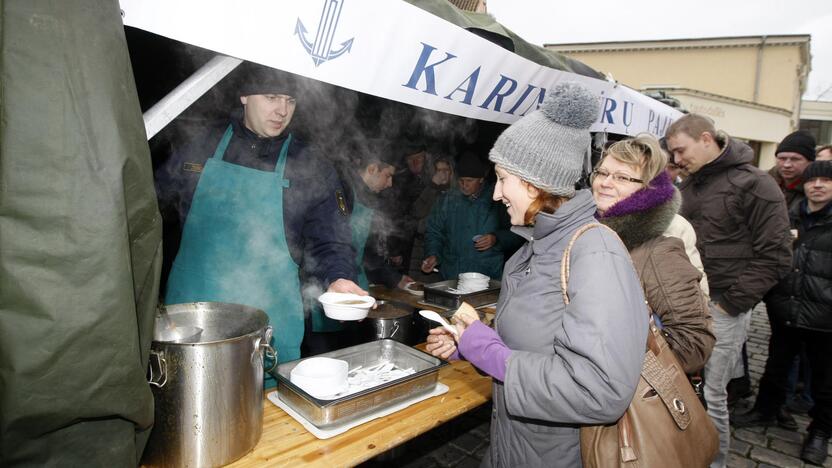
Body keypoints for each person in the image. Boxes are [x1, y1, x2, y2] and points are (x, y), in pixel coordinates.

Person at [427, 82, 648, 467]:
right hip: (510, 448)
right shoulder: (529, 250)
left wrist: (488, 350)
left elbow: (600, 389)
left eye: (502, 178)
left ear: (534, 182)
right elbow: (533, 345)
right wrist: (468, 341)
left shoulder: (596, 253)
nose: (496, 194)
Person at [155, 63, 363, 381]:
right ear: (244, 96)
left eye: (290, 101)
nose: (282, 110)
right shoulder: (201, 144)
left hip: (267, 333)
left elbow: (331, 238)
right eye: (271, 97)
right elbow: (149, 206)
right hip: (190, 325)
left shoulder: (310, 164)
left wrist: (338, 278)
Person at [665, 114, 792, 468]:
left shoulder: (756, 184)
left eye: (680, 150)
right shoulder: (688, 185)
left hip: (722, 305)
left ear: (706, 138)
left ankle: (715, 462)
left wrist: (730, 304)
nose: (676, 160)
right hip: (684, 304)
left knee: (712, 396)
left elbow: (777, 255)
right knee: (684, 389)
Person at [733, 161, 832, 465]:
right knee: (777, 366)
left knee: (825, 379)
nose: (818, 186)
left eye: (826, 181)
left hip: (824, 317)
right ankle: (765, 409)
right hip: (786, 308)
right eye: (813, 181)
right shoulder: (789, 214)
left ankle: (820, 431)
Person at [592, 135, 715, 374]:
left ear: (647, 188)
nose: (605, 182)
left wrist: (619, 370)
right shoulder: (590, 225)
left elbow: (693, 342)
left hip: (625, 383)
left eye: (622, 177)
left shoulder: (668, 235)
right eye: (601, 173)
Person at [421, 151, 520, 280]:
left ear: (481, 179)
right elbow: (434, 231)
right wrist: (433, 254)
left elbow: (516, 233)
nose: (464, 185)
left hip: (485, 275)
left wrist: (496, 238)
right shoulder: (447, 200)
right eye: (461, 180)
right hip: (452, 274)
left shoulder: (497, 200)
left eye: (469, 180)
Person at [407, 156, 455, 282]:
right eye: (439, 170)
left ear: (452, 172)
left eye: (446, 170)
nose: (443, 174)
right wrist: (432, 186)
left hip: (444, 247)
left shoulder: (456, 193)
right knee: (416, 286)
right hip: (419, 246)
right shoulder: (426, 187)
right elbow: (416, 212)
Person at [769, 130, 816, 212]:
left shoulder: (819, 189)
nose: (787, 165)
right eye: (782, 158)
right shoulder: (760, 182)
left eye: (795, 159)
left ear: (810, 162)